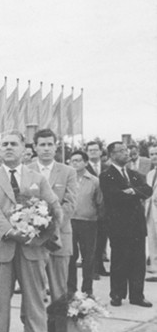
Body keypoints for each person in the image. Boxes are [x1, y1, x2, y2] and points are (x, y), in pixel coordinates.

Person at [0, 130, 62, 332]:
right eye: (4, 143)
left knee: (35, 300)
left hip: (32, 249)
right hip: (2, 247)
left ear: (24, 148)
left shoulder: (37, 178)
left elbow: (54, 208)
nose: (8, 147)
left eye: (13, 144)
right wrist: (11, 232)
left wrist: (43, 236)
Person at [99, 142, 153, 308]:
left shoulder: (134, 174)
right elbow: (113, 196)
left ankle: (137, 295)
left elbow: (147, 190)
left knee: (138, 262)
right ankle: (117, 294)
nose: (126, 153)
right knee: (119, 261)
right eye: (121, 151)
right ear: (112, 155)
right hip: (119, 226)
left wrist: (132, 191)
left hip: (137, 225)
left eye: (126, 150)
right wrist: (135, 194)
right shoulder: (107, 175)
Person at [28, 129, 77, 307]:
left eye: (50, 144)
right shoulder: (26, 170)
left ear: (56, 146)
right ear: (35, 147)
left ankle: (59, 330)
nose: (46, 148)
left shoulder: (68, 172)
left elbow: (70, 203)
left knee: (59, 290)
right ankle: (33, 329)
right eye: (42, 144)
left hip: (60, 237)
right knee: (34, 290)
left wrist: (51, 227)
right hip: (34, 239)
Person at [67, 150, 103, 295]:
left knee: (88, 257)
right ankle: (71, 288)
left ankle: (87, 289)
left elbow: (100, 202)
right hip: (70, 222)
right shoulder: (67, 179)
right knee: (71, 257)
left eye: (78, 160)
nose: (74, 163)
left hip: (88, 223)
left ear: (86, 163)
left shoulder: (94, 181)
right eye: (72, 160)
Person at [85, 141, 110, 278]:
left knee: (102, 239)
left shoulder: (107, 168)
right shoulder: (83, 168)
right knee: (90, 241)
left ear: (101, 152)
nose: (93, 152)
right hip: (90, 208)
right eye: (90, 150)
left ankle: (100, 266)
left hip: (105, 209)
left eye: (95, 150)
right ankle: (92, 269)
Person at [146, 145, 157, 275]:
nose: (155, 156)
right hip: (150, 211)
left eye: (156, 153)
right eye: (152, 154)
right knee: (152, 240)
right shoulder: (150, 174)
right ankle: (154, 268)